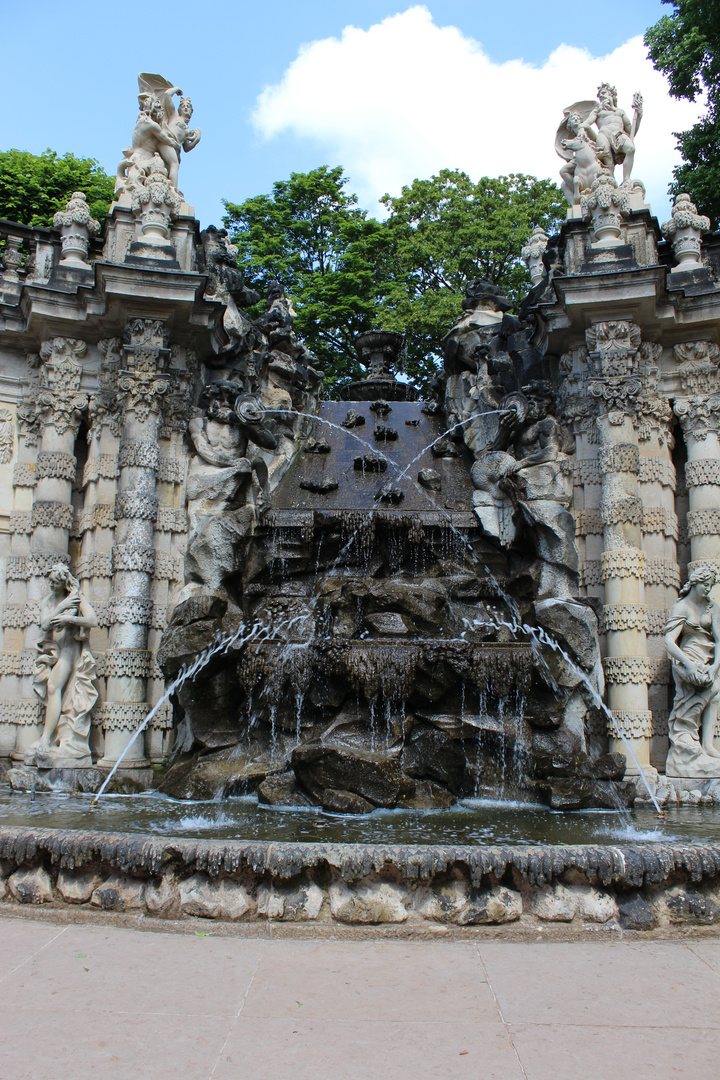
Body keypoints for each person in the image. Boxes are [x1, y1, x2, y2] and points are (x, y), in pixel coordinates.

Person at [24, 564, 98, 766]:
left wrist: (70, 618)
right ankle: (53, 737)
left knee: (53, 687)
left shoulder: (77, 598)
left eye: (55, 582)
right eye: (50, 581)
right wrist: (62, 608)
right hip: (54, 653)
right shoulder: (49, 601)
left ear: (64, 582)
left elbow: (93, 620)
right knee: (55, 692)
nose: (51, 585)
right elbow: (45, 624)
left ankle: (46, 740)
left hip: (70, 653)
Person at [665, 565, 720, 776]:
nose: (708, 588)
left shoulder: (712, 607)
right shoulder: (681, 607)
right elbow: (670, 642)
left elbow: (719, 640)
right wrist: (687, 663)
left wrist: (715, 666)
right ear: (695, 583)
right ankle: (684, 742)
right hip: (688, 659)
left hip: (709, 660)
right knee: (711, 688)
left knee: (715, 689)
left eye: (711, 585)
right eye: (705, 584)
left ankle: (707, 745)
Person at [583, 83, 642, 183]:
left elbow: (632, 131)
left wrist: (639, 115)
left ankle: (626, 179)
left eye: (604, 93)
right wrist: (581, 128)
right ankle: (610, 184)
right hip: (603, 135)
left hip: (618, 134)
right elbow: (587, 122)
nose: (601, 96)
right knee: (607, 162)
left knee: (630, 149)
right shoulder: (597, 111)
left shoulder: (620, 111)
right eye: (600, 95)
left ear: (611, 95)